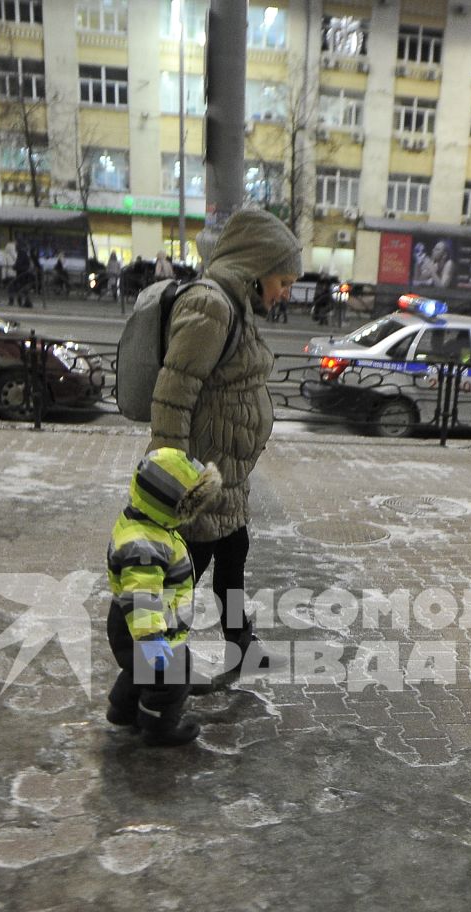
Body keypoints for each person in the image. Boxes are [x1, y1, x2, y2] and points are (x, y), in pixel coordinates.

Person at [148, 207, 302, 682]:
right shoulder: (211, 305)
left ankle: (242, 649)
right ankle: (152, 675)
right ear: (256, 271)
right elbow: (174, 394)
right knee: (181, 577)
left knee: (233, 555)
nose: (285, 294)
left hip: (227, 473)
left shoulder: (236, 305)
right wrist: (171, 474)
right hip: (199, 475)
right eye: (283, 281)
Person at [104, 448, 224, 746]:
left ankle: (122, 709)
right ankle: (159, 727)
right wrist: (151, 639)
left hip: (133, 623)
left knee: (141, 670)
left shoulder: (148, 523)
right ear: (170, 504)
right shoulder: (143, 545)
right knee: (171, 680)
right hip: (150, 628)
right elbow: (141, 594)